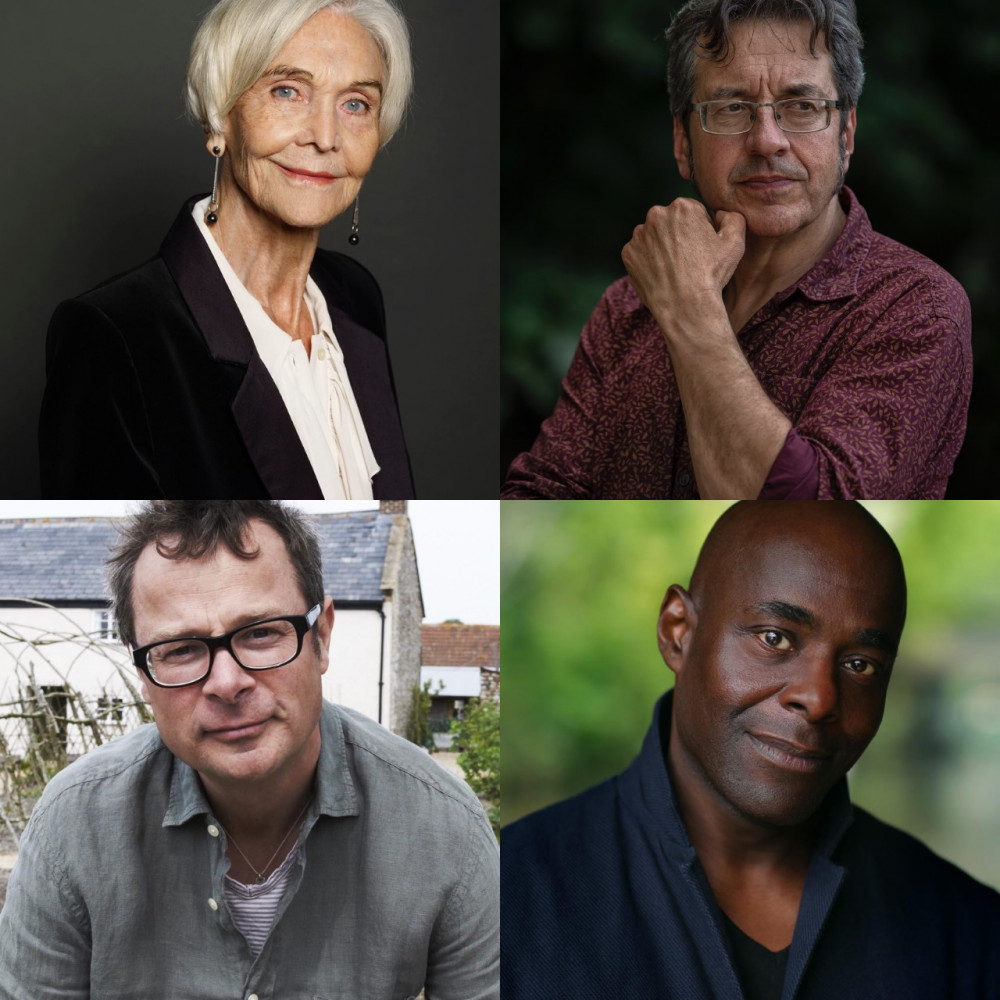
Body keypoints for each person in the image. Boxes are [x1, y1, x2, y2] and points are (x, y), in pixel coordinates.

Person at [0, 501, 499, 999]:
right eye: (180, 649)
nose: (227, 683)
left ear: (321, 638)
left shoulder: (446, 829)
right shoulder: (73, 826)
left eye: (260, 633)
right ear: (143, 679)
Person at [501, 502, 1000, 999]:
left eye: (861, 665)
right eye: (775, 637)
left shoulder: (968, 934)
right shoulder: (512, 895)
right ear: (679, 632)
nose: (819, 697)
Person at [502, 0, 971, 500]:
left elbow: (815, 530)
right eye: (731, 108)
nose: (767, 141)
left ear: (847, 134)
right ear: (683, 141)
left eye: (801, 106)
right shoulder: (626, 309)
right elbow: (538, 500)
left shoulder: (916, 307)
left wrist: (690, 314)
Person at [39, 0, 415, 499]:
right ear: (220, 119)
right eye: (288, 91)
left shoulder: (355, 298)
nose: (326, 138)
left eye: (356, 104)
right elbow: (106, 570)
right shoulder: (114, 336)